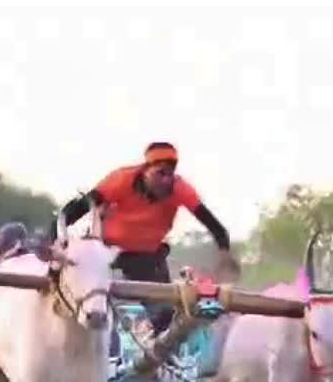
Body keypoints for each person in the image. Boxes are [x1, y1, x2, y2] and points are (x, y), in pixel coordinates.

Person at [51, 142, 238, 333]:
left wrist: (224, 257)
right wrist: (55, 239)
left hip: (147, 258)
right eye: (160, 173)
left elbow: (216, 227)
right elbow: (76, 210)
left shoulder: (181, 189)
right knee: (89, 300)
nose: (166, 180)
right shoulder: (121, 179)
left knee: (166, 315)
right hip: (107, 254)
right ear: (145, 171)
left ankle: (153, 350)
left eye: (170, 174)